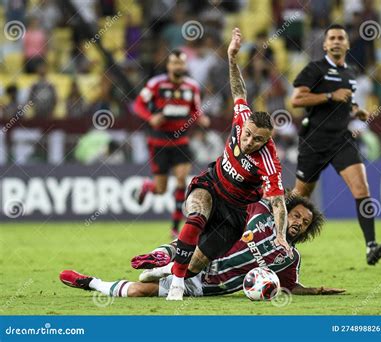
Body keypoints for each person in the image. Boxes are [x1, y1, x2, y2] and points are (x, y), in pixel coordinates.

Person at [163, 27, 290, 301]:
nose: (250, 142)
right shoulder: (242, 114)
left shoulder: (268, 160)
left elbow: (277, 201)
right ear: (243, 126)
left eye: (258, 140)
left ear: (267, 140)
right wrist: (233, 58)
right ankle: (174, 282)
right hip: (211, 184)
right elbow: (238, 89)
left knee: (195, 265)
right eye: (248, 135)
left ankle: (167, 270)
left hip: (234, 213)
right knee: (196, 215)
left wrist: (280, 236)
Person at [59, 196, 345, 298]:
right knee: (197, 237)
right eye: (296, 215)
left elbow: (289, 287)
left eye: (305, 223)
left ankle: (90, 283)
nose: (298, 222)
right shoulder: (261, 214)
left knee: (138, 291)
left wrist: (317, 290)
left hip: (208, 287)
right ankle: (163, 258)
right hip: (207, 256)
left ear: (306, 232)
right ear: (286, 212)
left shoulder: (289, 259)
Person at [290, 24, 381, 265]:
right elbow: (296, 99)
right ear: (325, 44)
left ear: (347, 44)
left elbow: (345, 104)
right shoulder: (315, 69)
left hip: (341, 140)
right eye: (331, 38)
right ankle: (279, 244)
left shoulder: (351, 72)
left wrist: (356, 111)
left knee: (362, 189)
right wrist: (329, 96)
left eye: (340, 38)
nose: (336, 41)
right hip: (313, 140)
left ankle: (370, 246)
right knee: (299, 198)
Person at [133, 50, 209, 238]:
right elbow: (138, 105)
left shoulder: (192, 87)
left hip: (181, 141)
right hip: (159, 141)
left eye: (181, 63)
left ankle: (175, 227)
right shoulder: (155, 84)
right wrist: (151, 118)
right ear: (168, 66)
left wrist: (201, 118)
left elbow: (195, 110)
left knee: (182, 180)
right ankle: (147, 187)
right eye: (174, 63)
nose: (178, 67)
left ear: (185, 66)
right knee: (161, 189)